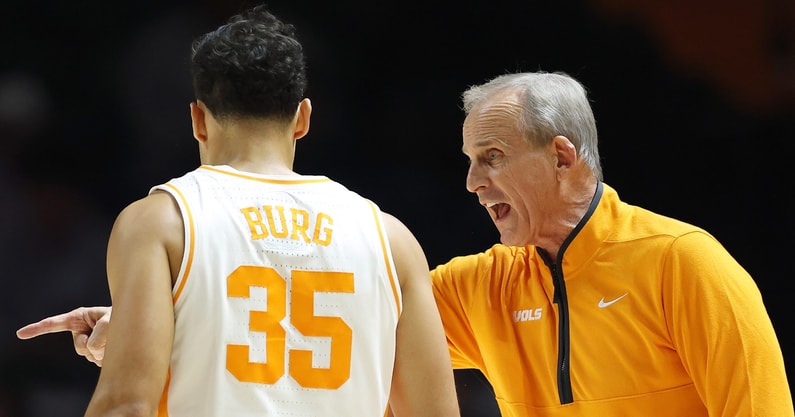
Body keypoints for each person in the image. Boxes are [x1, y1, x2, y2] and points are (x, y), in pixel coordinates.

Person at [18, 70, 793, 416]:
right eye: (465, 161)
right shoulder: (480, 285)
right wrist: (146, 332)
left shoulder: (684, 262)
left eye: (491, 158)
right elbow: (303, 331)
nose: (470, 183)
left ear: (562, 157)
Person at [15, 5, 460, 417]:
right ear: (303, 118)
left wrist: (142, 328)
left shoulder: (161, 221)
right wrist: (158, 322)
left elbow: (126, 406)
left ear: (198, 119)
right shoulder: (391, 237)